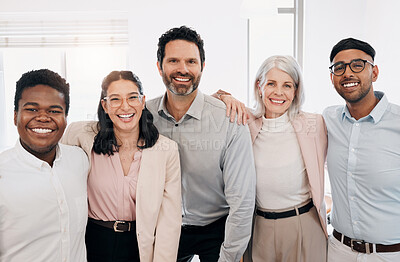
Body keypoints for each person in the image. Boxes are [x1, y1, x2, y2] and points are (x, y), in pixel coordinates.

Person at [146, 26, 256, 262]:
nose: (182, 69)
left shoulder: (229, 119)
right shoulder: (143, 117)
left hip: (217, 229)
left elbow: (242, 200)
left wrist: (229, 256)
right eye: (173, 60)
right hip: (165, 228)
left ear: (202, 67)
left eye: (191, 61)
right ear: (159, 66)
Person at [214, 55, 328, 262]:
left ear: (295, 91)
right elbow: (206, 106)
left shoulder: (314, 124)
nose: (278, 92)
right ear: (259, 86)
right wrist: (224, 97)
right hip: (259, 227)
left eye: (287, 85)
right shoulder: (244, 122)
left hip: (303, 224)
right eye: (271, 83)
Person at [61, 71, 182, 262]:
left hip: (139, 245)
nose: (125, 106)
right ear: (105, 105)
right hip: (93, 241)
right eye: (115, 99)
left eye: (132, 97)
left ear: (142, 102)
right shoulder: (80, 136)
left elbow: (170, 221)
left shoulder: (166, 150)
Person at [323, 38, 400, 261]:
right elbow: (283, 120)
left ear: (374, 72)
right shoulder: (328, 119)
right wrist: (225, 103)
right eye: (339, 67)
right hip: (338, 250)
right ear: (332, 78)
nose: (348, 73)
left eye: (357, 65)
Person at [0, 69, 89, 261]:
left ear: (66, 118)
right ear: (15, 116)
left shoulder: (80, 160)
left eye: (54, 111)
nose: (43, 117)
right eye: (32, 109)